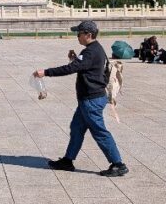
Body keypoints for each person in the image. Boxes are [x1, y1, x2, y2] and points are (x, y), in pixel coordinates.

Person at [34, 19, 128, 177]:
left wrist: (46, 72)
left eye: (79, 33)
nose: (77, 36)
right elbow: (85, 67)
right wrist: (75, 59)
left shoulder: (90, 52)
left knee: (99, 132)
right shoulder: (95, 49)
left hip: (91, 100)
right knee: (76, 128)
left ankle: (118, 164)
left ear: (88, 35)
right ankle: (68, 160)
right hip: (89, 99)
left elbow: (70, 69)